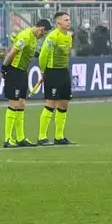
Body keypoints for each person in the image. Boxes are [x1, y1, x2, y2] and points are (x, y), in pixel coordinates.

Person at [1, 19, 51, 148]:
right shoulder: (25, 36)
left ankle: (20, 137)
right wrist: (4, 68)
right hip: (14, 71)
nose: (43, 36)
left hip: (23, 72)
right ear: (41, 29)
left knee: (22, 104)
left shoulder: (33, 38)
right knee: (14, 103)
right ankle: (7, 138)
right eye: (44, 33)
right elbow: (13, 52)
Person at [38, 11, 74, 145]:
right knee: (51, 102)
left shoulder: (69, 37)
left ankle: (59, 136)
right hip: (52, 72)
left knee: (64, 103)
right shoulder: (53, 37)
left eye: (69, 20)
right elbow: (43, 55)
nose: (68, 22)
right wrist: (43, 71)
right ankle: (42, 137)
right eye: (65, 20)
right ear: (58, 22)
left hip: (64, 71)